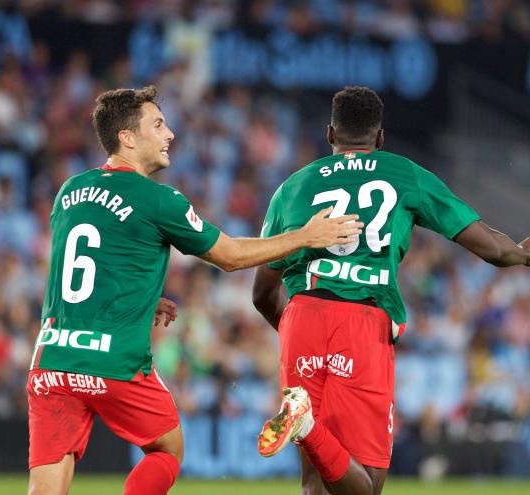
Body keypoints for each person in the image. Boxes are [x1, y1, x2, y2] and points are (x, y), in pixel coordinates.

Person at [26, 86, 363, 495]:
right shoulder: (158, 199)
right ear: (127, 138)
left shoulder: (69, 192)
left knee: (46, 486)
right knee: (166, 450)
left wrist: (143, 299)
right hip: (113, 362)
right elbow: (231, 256)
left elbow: (81, 273)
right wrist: (306, 235)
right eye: (158, 124)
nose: (169, 134)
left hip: (52, 360)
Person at [253, 86, 530, 495]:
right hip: (361, 321)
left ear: (330, 133)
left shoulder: (293, 187)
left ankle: (304, 423)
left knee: (314, 484)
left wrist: (295, 332)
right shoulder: (402, 172)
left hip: (300, 318)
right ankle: (304, 425)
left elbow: (262, 293)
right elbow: (492, 249)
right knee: (367, 485)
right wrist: (526, 255)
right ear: (380, 138)